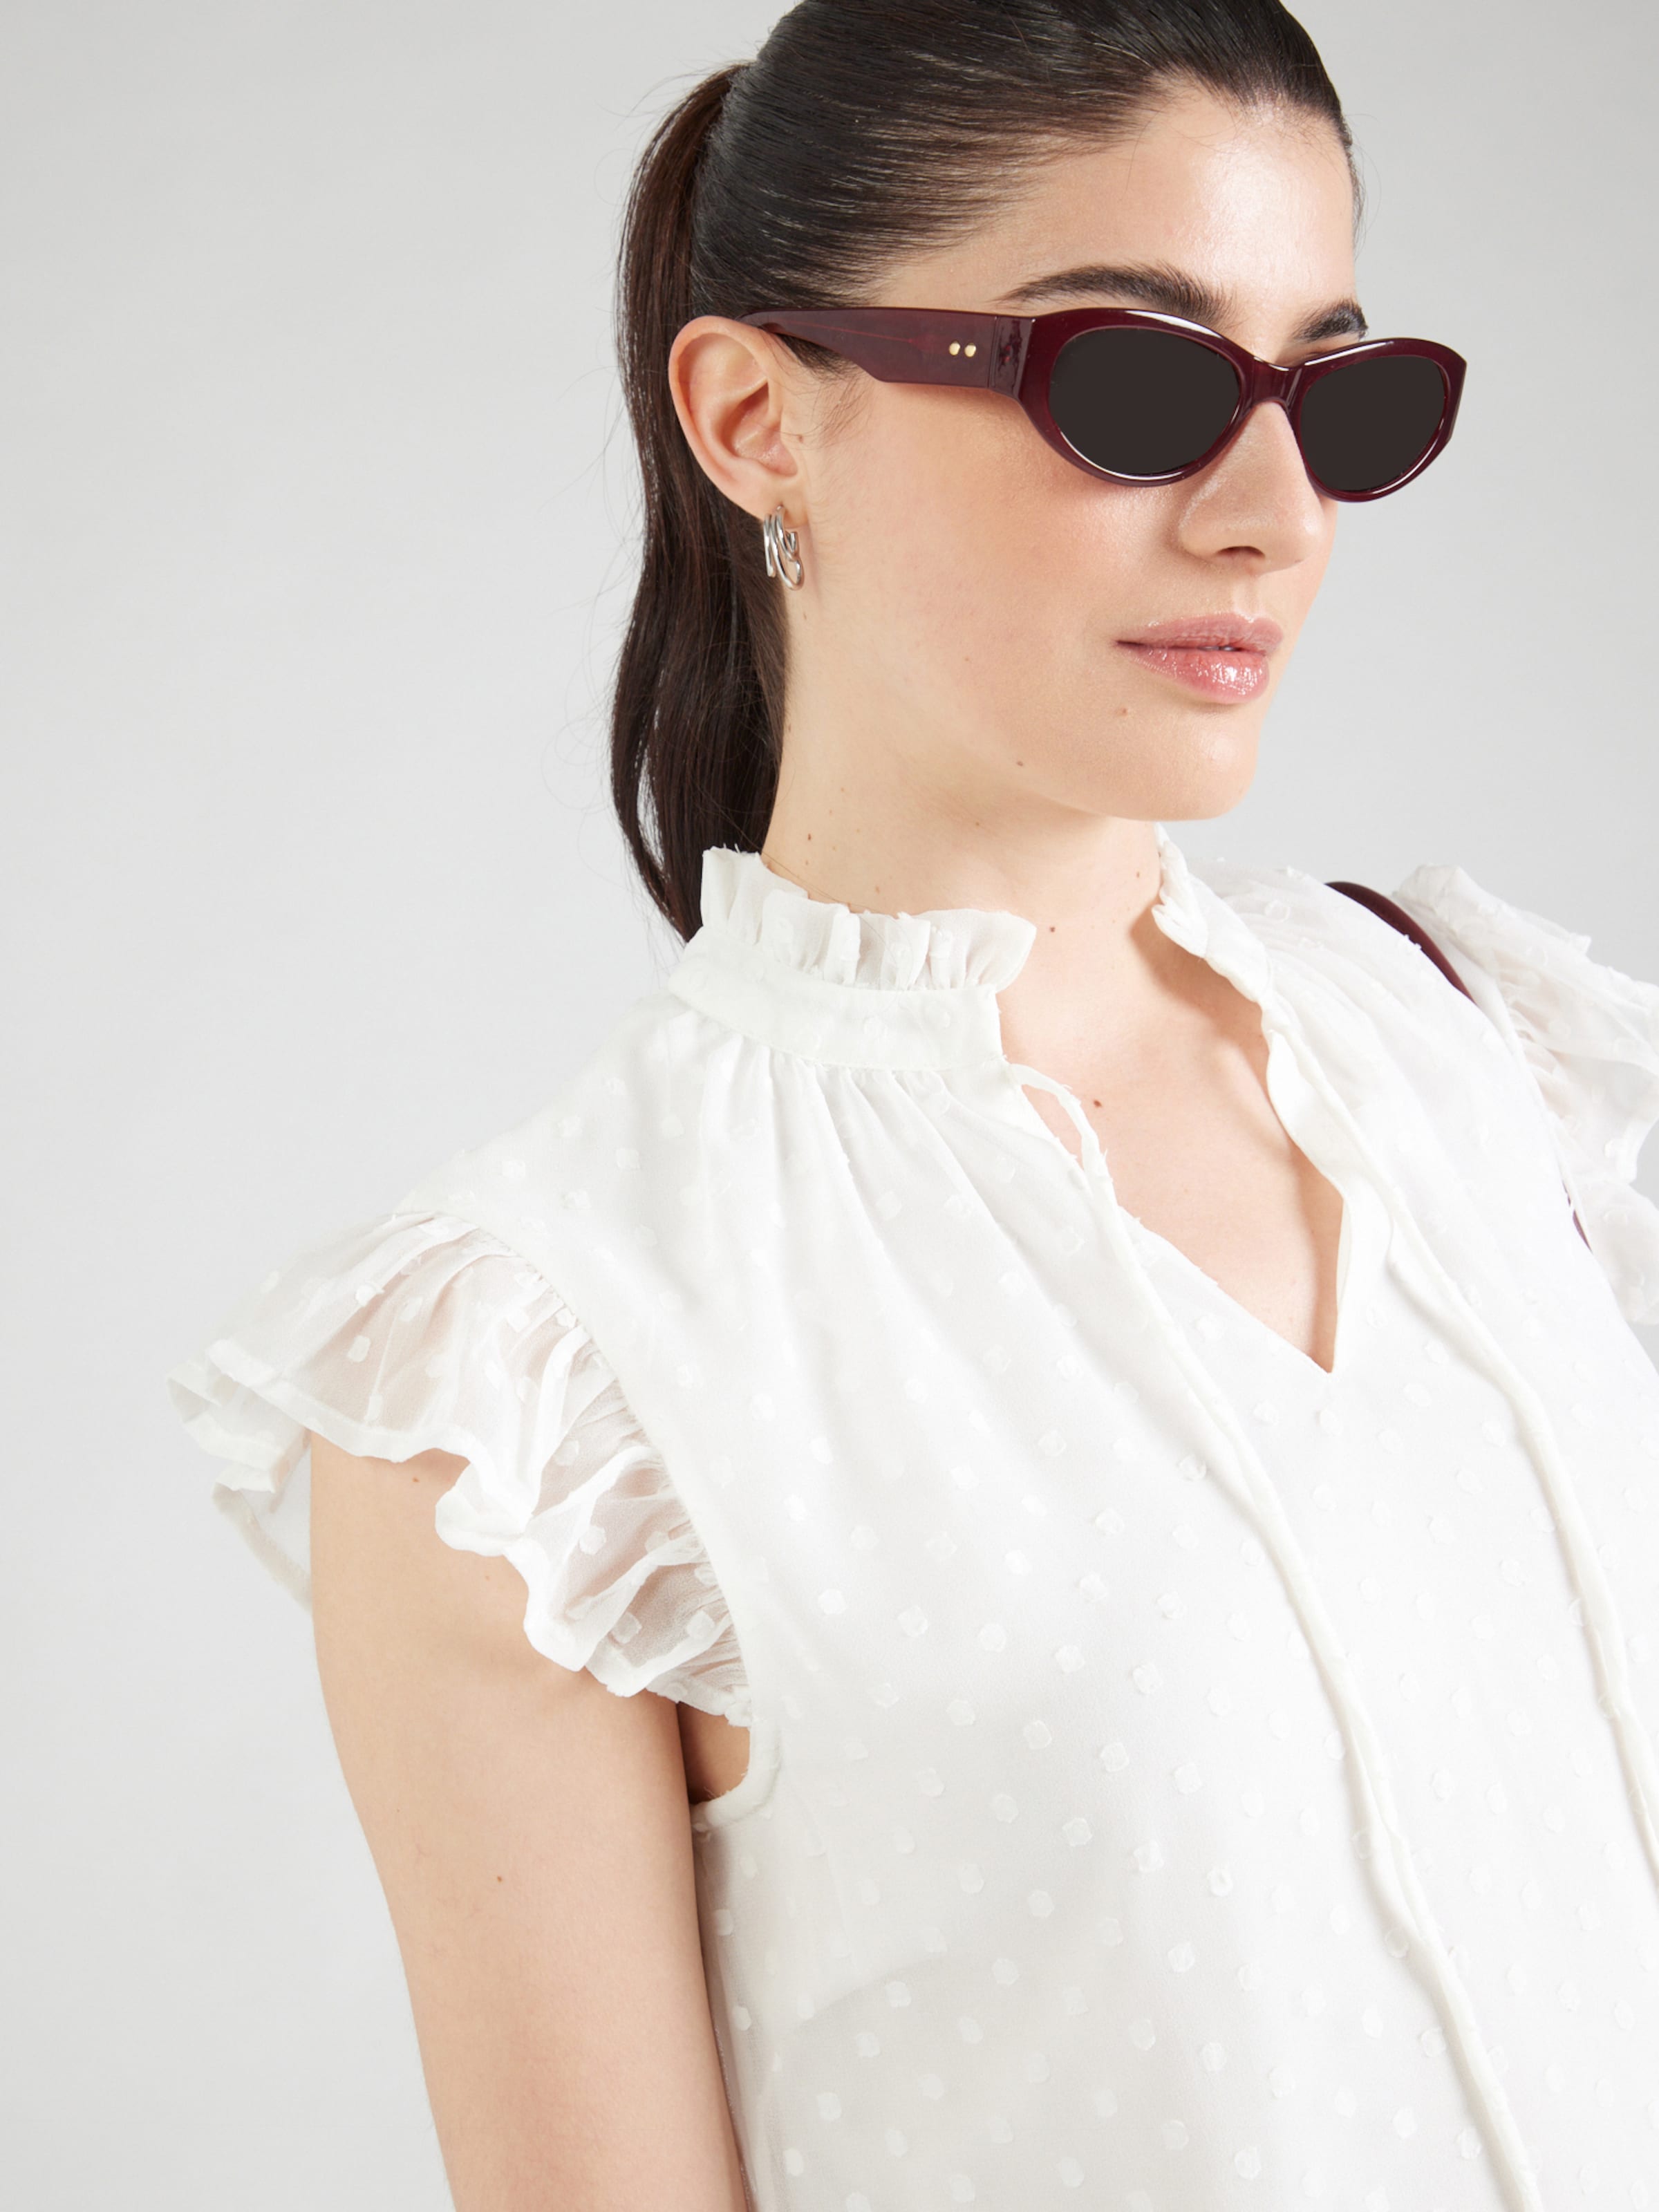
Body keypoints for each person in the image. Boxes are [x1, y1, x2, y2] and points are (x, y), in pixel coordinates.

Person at [168, 2, 1659, 2206]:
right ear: (758, 418)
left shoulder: (1497, 1064)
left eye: (1338, 402)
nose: (1273, 520)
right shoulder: (534, 1384)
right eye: (1136, 387)